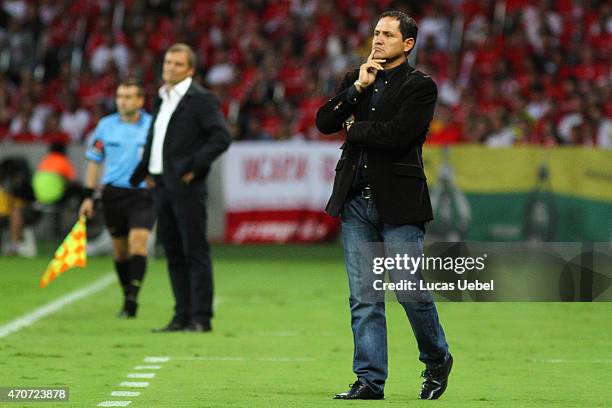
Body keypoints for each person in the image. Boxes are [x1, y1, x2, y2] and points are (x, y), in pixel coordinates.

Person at [316, 11, 453, 401]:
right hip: (356, 199)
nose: (378, 40)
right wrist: (355, 90)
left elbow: (399, 135)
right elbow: (325, 121)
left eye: (388, 35)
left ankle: (437, 357)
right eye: (376, 33)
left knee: (409, 288)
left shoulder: (420, 86)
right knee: (364, 296)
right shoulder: (356, 79)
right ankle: (369, 381)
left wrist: (356, 129)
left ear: (407, 44)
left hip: (400, 202)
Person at [130, 43, 231, 333]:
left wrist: (193, 168)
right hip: (162, 185)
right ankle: (181, 315)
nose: (170, 67)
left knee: (195, 251)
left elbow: (221, 137)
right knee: (173, 251)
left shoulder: (200, 99)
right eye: (167, 62)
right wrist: (146, 170)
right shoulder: (161, 97)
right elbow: (156, 136)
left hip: (187, 187)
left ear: (190, 69)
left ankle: (201, 318)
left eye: (177, 63)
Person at [79, 79, 154, 318]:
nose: (123, 101)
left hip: (143, 193)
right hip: (113, 193)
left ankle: (132, 299)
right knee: (120, 251)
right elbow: (94, 160)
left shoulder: (152, 125)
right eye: (120, 96)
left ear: (141, 101)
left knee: (138, 243)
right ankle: (126, 293)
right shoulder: (105, 125)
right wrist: (89, 196)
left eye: (129, 96)